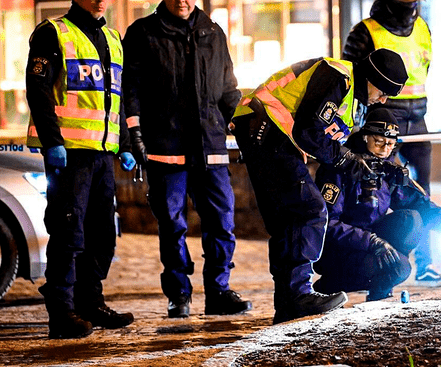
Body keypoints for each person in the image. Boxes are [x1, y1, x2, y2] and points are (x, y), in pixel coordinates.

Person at [230, 48, 408, 324]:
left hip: (264, 131)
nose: (381, 100)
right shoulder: (338, 76)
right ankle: (299, 294)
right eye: (383, 91)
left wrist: (356, 161)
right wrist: (346, 160)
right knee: (311, 209)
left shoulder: (348, 97)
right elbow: (308, 131)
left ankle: (288, 302)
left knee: (286, 220)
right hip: (266, 127)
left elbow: (319, 136)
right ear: (372, 77)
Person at [122, 0, 251, 318]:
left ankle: (218, 291)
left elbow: (228, 89)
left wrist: (247, 126)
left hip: (211, 145)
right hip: (166, 145)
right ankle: (179, 294)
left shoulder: (214, 32)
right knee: (173, 224)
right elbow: (131, 89)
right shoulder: (143, 33)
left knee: (222, 222)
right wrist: (133, 135)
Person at [25, 0, 136, 339]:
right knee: (68, 233)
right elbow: (38, 89)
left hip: (102, 154)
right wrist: (52, 140)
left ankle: (91, 303)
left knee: (102, 234)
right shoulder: (53, 33)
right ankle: (61, 311)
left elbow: (115, 98)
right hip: (70, 155)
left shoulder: (113, 38)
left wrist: (126, 145)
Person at [343, 0, 441, 283]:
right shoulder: (366, 31)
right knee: (384, 188)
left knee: (421, 192)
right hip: (384, 118)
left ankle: (425, 263)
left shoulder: (422, 27)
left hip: (419, 117)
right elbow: (354, 81)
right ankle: (391, 264)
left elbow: (424, 69)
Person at [313, 108, 441, 300]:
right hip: (339, 250)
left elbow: (416, 203)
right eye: (379, 142)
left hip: (371, 243)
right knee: (400, 267)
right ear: (365, 137)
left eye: (390, 144)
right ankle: (331, 284)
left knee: (411, 220)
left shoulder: (387, 169)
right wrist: (371, 242)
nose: (384, 149)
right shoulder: (342, 167)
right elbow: (327, 224)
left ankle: (380, 288)